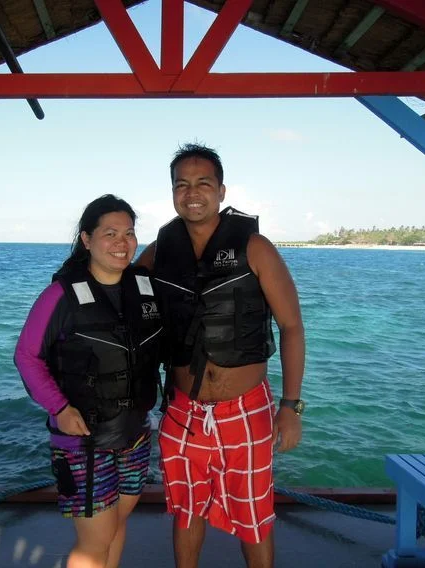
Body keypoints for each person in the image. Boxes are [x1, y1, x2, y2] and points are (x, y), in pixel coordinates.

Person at [136, 143, 306, 568]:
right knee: (185, 510)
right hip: (182, 412)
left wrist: (290, 407)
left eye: (203, 183)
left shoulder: (256, 247)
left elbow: (292, 327)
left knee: (254, 516)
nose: (192, 193)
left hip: (246, 410)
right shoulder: (158, 253)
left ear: (222, 190)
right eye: (182, 184)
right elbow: (117, 297)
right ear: (173, 192)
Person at [14, 194, 163, 568]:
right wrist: (59, 408)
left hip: (135, 435)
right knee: (94, 542)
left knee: (114, 526)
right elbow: (26, 357)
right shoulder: (60, 295)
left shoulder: (143, 288)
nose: (122, 243)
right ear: (86, 239)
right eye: (109, 233)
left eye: (129, 233)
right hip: (84, 442)